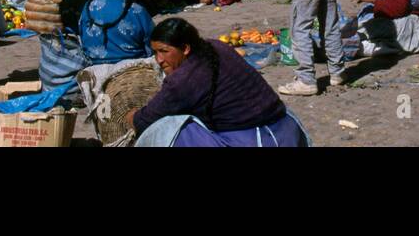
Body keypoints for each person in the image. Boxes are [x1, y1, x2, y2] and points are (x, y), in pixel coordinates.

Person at [130, 18, 308, 147]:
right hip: (287, 131)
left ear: (185, 48)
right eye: (155, 53)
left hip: (256, 140)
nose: (159, 60)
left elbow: (144, 120)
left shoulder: (182, 81)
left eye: (164, 51)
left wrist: (132, 116)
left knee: (171, 128)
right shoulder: (216, 46)